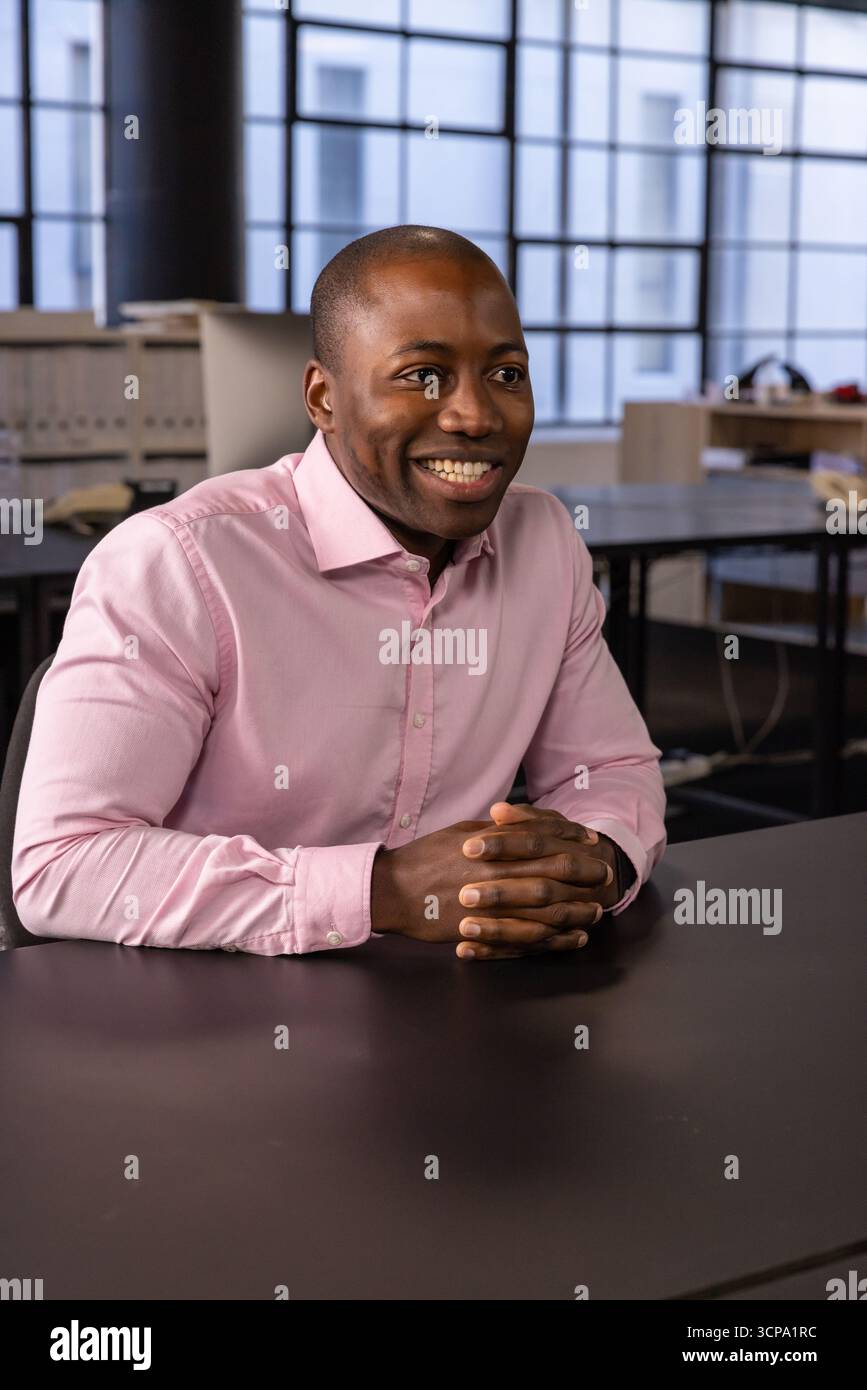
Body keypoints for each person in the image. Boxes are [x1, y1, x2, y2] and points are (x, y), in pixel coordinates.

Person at [12, 225, 666, 962]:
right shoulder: (180, 562)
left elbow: (610, 770)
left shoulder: (544, 541)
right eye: (423, 375)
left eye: (506, 374)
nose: (475, 416)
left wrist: (588, 860)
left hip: (461, 998)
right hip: (207, 1023)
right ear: (323, 398)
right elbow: (63, 865)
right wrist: (383, 892)